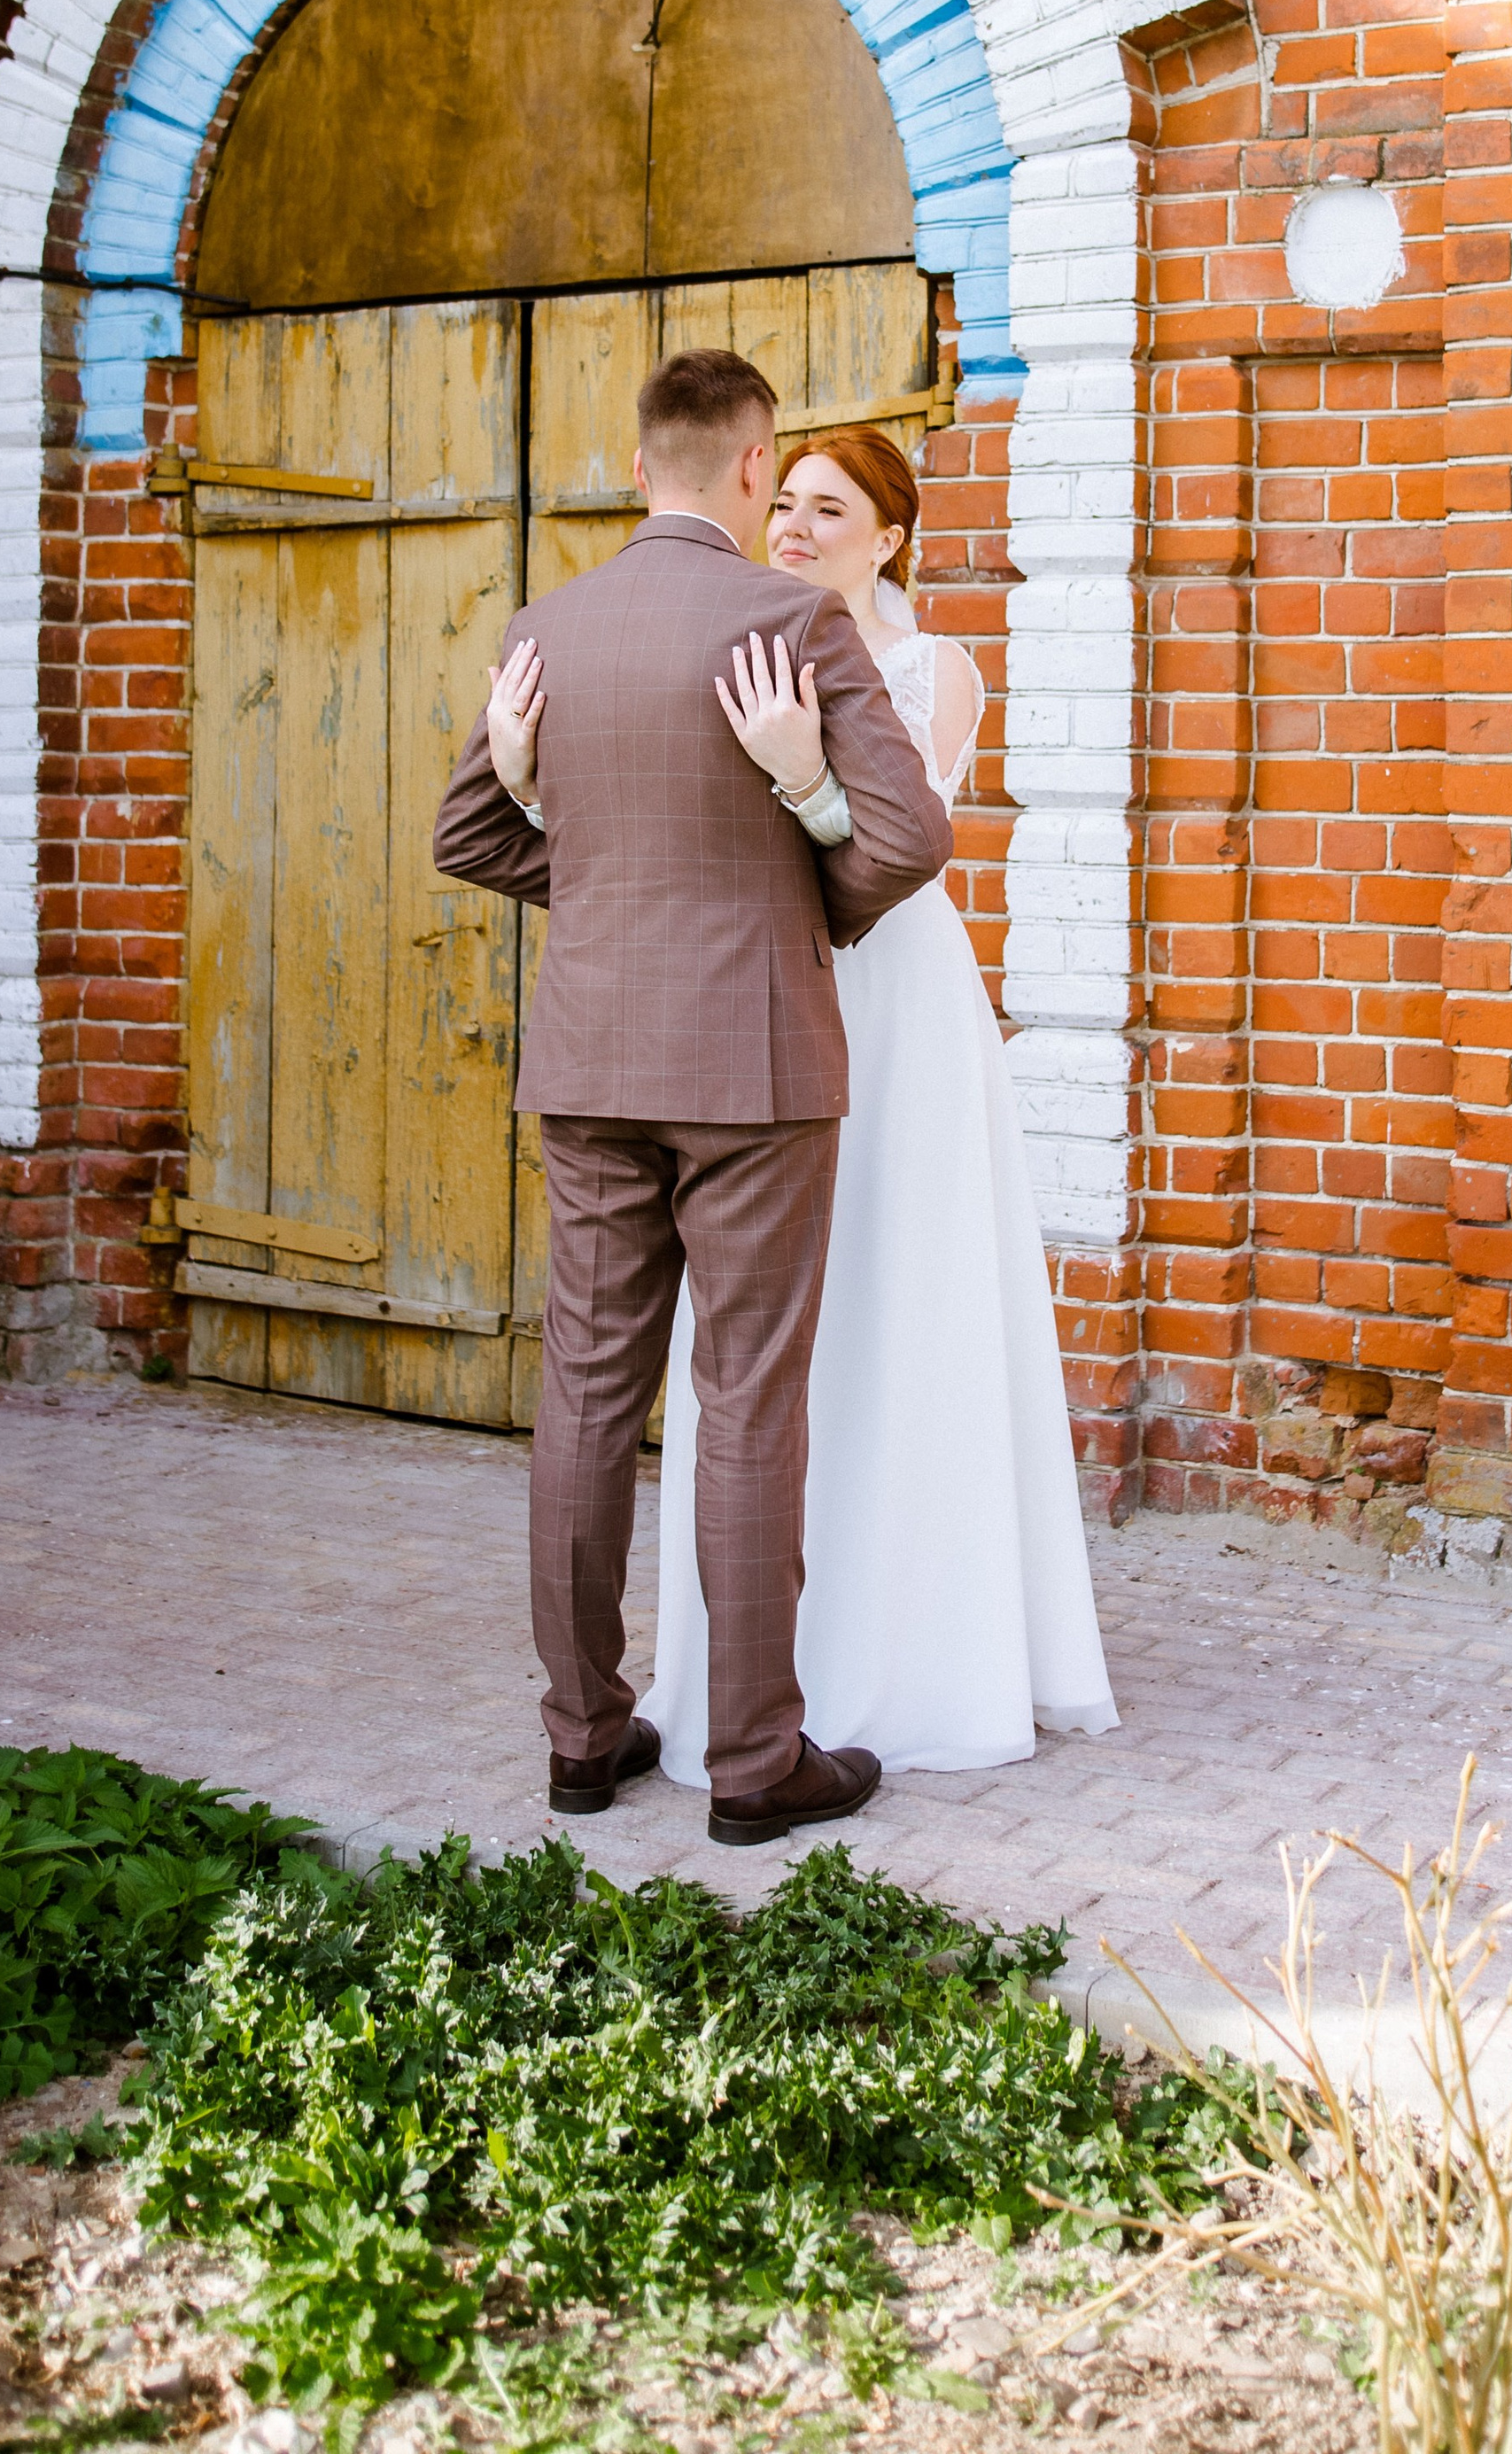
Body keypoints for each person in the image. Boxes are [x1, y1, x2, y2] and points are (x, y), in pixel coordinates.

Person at [430, 351, 952, 1847]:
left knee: (587, 1391)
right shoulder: (791, 619)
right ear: (745, 467)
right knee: (746, 1400)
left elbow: (471, 829)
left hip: (595, 1062)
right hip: (758, 1069)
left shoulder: (552, 626)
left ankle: (583, 1739)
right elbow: (908, 839)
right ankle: (752, 1764)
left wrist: (581, 868)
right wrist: (809, 903)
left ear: (638, 461)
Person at [645, 425, 1119, 1781]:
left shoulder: (938, 673)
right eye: (781, 500)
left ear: (889, 535)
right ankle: (760, 1658)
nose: (793, 526)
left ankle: (925, 1652)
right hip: (764, 1005)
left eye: (828, 508)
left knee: (908, 1302)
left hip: (898, 1006)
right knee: (769, 1326)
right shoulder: (741, 649)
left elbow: (895, 855)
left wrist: (800, 769)